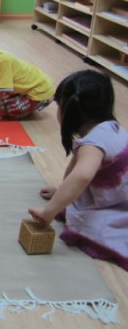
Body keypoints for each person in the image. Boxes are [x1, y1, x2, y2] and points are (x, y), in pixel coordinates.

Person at [28, 70, 128, 270]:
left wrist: (50, 210)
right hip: (119, 193)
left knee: (89, 223)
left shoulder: (92, 144)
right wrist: (61, 191)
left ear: (69, 110)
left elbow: (82, 175)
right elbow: (78, 172)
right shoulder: (110, 127)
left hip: (118, 204)